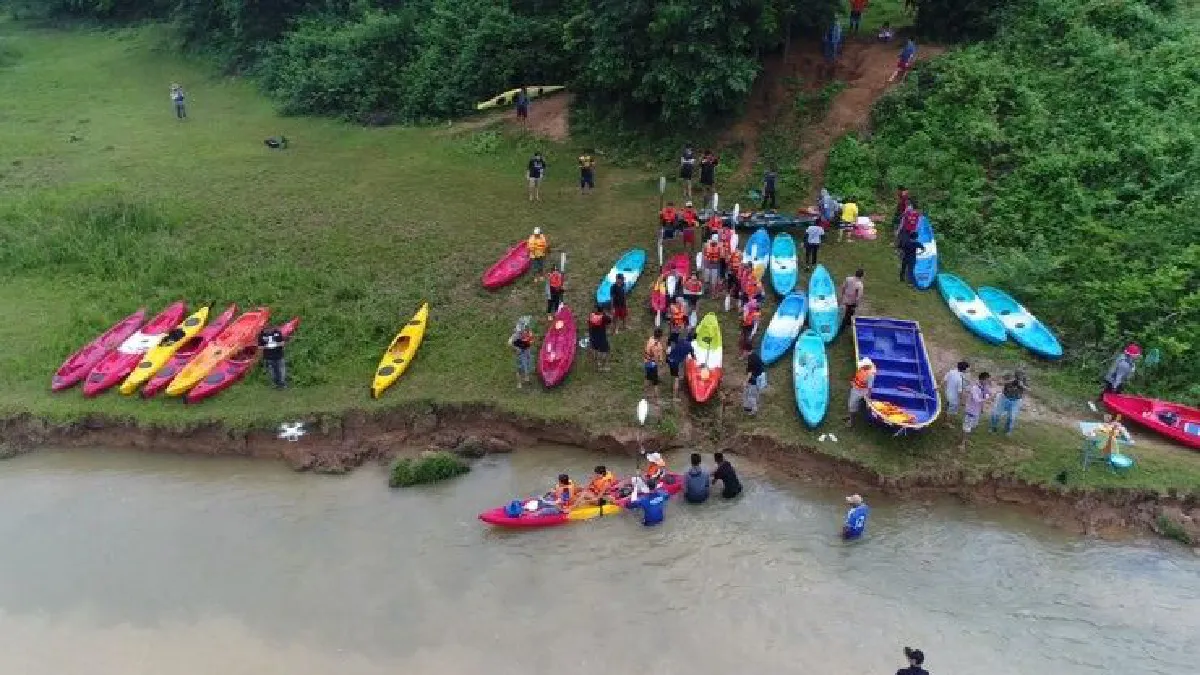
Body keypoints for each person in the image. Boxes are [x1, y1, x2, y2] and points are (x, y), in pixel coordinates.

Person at [960, 371, 993, 450]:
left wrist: (982, 408)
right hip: (971, 411)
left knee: (972, 426)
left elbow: (988, 394)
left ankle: (966, 440)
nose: (988, 382)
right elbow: (977, 400)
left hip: (977, 411)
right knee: (966, 427)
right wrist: (988, 399)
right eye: (987, 380)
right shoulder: (975, 388)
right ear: (982, 380)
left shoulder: (984, 387)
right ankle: (962, 443)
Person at [991, 368, 1029, 434]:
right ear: (1015, 373)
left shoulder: (1024, 379)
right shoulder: (1009, 375)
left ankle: (1007, 430)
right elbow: (999, 382)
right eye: (1019, 374)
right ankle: (993, 427)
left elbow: (1029, 390)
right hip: (1004, 398)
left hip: (1016, 401)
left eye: (1022, 374)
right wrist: (1010, 381)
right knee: (996, 414)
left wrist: (1022, 385)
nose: (1020, 376)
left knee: (1011, 417)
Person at [845, 357, 876, 427]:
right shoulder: (862, 369)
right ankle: (851, 416)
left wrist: (868, 397)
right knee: (851, 404)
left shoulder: (870, 375)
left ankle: (851, 421)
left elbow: (869, 387)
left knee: (852, 404)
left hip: (861, 391)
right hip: (856, 388)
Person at [667, 330, 695, 400]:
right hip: (675, 362)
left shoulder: (681, 340)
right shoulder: (690, 347)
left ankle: (672, 387)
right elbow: (693, 357)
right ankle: (674, 397)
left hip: (669, 358)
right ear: (693, 340)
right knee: (677, 379)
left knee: (674, 375)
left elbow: (673, 340)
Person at [258, 325, 288, 389]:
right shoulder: (261, 335)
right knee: (272, 372)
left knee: (281, 371)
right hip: (268, 357)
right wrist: (267, 346)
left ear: (272, 328)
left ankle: (282, 384)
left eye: (269, 329)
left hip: (279, 356)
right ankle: (275, 384)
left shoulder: (277, 333)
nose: (267, 330)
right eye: (265, 329)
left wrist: (275, 344)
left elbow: (282, 343)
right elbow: (260, 347)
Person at [510, 318, 536, 389]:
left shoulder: (528, 333)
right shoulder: (516, 335)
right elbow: (510, 343)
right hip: (520, 353)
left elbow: (531, 340)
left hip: (526, 351)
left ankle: (526, 377)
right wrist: (516, 348)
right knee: (519, 368)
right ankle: (519, 383)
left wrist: (529, 343)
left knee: (527, 364)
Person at [587, 304, 612, 372]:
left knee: (595, 350)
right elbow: (610, 320)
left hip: (593, 336)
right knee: (606, 351)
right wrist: (606, 313)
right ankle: (603, 367)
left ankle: (596, 366)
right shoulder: (603, 317)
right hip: (601, 337)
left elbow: (588, 323)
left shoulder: (591, 315)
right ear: (602, 310)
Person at [644, 328, 665, 405]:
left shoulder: (650, 339)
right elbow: (658, 358)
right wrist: (660, 362)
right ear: (660, 336)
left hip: (646, 362)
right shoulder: (658, 346)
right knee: (655, 383)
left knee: (647, 378)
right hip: (652, 365)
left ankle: (645, 396)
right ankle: (657, 401)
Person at [744, 351, 765, 415]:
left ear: (745, 350)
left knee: (751, 396)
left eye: (743, 352)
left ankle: (754, 410)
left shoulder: (750, 360)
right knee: (754, 393)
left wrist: (745, 382)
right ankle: (749, 406)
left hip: (755, 379)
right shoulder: (755, 355)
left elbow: (750, 373)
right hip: (761, 377)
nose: (743, 353)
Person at [725, 248, 743, 313]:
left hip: (736, 274)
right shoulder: (735, 254)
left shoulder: (737, 254)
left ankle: (735, 306)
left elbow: (727, 262)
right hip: (733, 273)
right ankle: (729, 306)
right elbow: (727, 262)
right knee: (731, 289)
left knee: (736, 289)